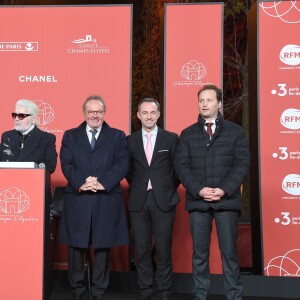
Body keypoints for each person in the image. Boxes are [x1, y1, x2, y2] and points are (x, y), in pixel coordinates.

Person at [174, 85, 250, 300]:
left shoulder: (234, 131)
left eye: (209, 100)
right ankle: (200, 295)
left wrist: (223, 190)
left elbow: (242, 164)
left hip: (226, 202)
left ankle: (234, 295)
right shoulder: (187, 134)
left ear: (219, 103)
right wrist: (199, 190)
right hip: (199, 202)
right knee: (199, 254)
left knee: (229, 253)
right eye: (201, 100)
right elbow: (181, 166)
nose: (204, 104)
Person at [59, 95, 129, 300]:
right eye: (91, 111)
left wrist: (102, 183)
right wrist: (82, 182)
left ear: (104, 113)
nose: (94, 115)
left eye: (98, 111)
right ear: (84, 113)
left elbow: (122, 164)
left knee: (102, 245)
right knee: (76, 245)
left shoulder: (117, 136)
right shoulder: (70, 136)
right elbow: (66, 164)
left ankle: (98, 290)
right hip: (79, 197)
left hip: (105, 197)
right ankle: (77, 289)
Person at [126, 98, 180, 300]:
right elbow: (128, 172)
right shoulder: (129, 141)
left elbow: (177, 170)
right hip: (138, 202)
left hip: (164, 201)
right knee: (142, 251)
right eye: (144, 113)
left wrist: (164, 188)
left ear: (158, 114)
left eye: (153, 112)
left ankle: (164, 292)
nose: (149, 116)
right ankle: (145, 292)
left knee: (164, 250)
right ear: (138, 115)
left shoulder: (171, 139)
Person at [0, 99, 57, 173]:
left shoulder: (47, 139)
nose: (16, 119)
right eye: (14, 115)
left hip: (32, 182)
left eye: (21, 116)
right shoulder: (7, 136)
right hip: (7, 181)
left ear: (33, 119)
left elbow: (50, 167)